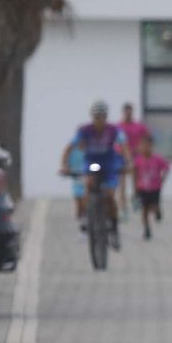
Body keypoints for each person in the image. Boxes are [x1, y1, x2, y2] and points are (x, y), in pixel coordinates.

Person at [59, 100, 132, 248]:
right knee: (88, 184)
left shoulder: (113, 130)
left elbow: (124, 146)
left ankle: (114, 228)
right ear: (92, 117)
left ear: (106, 117)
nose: (99, 120)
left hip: (109, 163)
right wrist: (64, 165)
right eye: (97, 117)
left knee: (110, 195)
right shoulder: (84, 130)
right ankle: (87, 216)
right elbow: (69, 147)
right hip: (92, 162)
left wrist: (128, 162)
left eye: (102, 117)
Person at [132, 134, 169, 240]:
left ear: (151, 146)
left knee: (153, 206)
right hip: (142, 188)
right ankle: (146, 229)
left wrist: (163, 179)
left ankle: (157, 211)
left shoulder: (157, 159)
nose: (145, 148)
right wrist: (135, 187)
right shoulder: (138, 160)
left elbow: (166, 168)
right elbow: (134, 173)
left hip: (155, 188)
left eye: (147, 145)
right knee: (144, 210)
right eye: (142, 145)